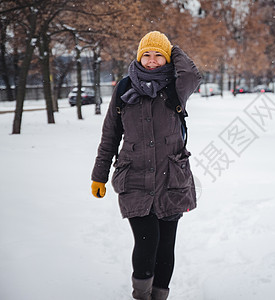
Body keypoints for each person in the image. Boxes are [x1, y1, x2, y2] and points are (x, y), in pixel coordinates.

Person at [90, 31, 201, 300]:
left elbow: (192, 75)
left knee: (165, 246)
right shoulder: (125, 88)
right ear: (139, 57)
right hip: (135, 178)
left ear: (167, 58)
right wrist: (99, 175)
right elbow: (110, 136)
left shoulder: (176, 86)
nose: (152, 61)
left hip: (171, 180)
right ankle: (141, 296)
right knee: (147, 241)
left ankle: (159, 297)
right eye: (147, 55)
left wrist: (172, 49)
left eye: (158, 55)